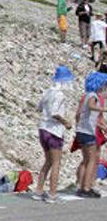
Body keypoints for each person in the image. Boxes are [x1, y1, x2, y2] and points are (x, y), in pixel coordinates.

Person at [32, 66, 74, 203]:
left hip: (43, 128)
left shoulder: (47, 92)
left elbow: (39, 107)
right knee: (56, 163)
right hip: (54, 131)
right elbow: (55, 112)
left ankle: (38, 190)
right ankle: (52, 194)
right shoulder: (60, 94)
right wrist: (65, 122)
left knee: (48, 161)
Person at [73, 72, 107, 198]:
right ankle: (86, 188)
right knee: (92, 161)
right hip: (88, 132)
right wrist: (103, 109)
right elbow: (91, 106)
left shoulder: (87, 95)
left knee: (87, 160)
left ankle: (82, 185)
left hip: (82, 131)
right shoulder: (93, 96)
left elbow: (80, 113)